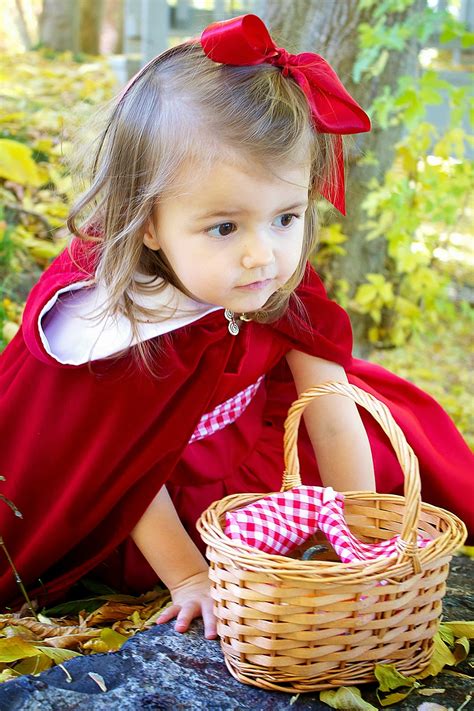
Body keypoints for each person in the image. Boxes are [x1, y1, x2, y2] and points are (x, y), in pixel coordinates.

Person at [0, 15, 472, 641]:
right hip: (158, 495)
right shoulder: (116, 320)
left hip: (256, 446)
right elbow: (122, 466)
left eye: (286, 216)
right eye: (225, 227)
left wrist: (357, 538)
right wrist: (193, 578)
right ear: (146, 222)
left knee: (401, 434)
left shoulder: (278, 280)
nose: (264, 256)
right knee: (172, 545)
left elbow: (330, 412)